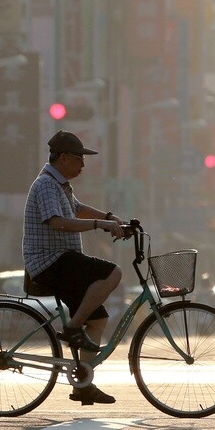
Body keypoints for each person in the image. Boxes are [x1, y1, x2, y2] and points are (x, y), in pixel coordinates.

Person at [23, 130, 126, 406]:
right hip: (50, 260)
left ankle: (84, 384)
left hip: (62, 259)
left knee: (99, 319)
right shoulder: (46, 185)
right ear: (65, 158)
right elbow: (57, 221)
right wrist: (100, 225)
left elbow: (77, 209)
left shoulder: (61, 186)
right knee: (113, 272)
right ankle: (73, 326)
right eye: (79, 159)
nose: (83, 165)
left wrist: (109, 217)